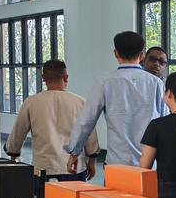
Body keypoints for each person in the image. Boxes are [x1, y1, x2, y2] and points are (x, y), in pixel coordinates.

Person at [4, 60, 100, 198]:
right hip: (74, 168)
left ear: (43, 78)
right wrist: (92, 159)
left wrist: (13, 154)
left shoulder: (32, 102)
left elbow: (18, 133)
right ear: (66, 78)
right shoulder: (80, 102)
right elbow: (89, 133)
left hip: (43, 168)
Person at [65, 31, 166, 170]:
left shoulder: (104, 82)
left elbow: (86, 121)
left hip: (116, 164)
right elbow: (165, 123)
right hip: (149, 165)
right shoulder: (156, 84)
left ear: (115, 53)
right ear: (142, 55)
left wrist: (74, 152)